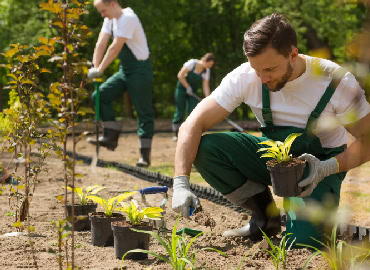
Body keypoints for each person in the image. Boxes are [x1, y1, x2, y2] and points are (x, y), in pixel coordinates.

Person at [171, 13, 370, 247]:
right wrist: (181, 184)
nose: (262, 77)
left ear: (293, 54)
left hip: (318, 167)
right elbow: (192, 124)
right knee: (207, 149)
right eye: (257, 69)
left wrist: (326, 168)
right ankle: (265, 218)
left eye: (270, 69)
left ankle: (307, 219)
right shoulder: (245, 77)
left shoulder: (334, 81)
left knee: (303, 244)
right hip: (273, 159)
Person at [87, 0, 154, 167]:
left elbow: (115, 47)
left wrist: (101, 69)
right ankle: (110, 137)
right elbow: (101, 43)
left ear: (112, 4)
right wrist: (95, 66)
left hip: (140, 70)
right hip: (125, 70)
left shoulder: (128, 18)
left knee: (144, 113)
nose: (102, 15)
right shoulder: (110, 19)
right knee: (99, 95)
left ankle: (144, 156)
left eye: (103, 11)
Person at [172, 53, 215, 141]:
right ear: (204, 61)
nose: (210, 67)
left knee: (192, 111)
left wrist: (208, 99)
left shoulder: (206, 71)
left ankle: (188, 134)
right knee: (180, 111)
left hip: (193, 92)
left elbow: (205, 85)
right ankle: (175, 134)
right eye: (209, 64)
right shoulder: (192, 63)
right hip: (182, 89)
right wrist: (187, 87)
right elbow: (180, 75)